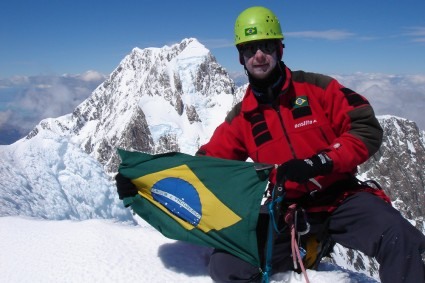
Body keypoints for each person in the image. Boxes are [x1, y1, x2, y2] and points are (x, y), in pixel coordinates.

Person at [192, 6, 425, 283]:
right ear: (240, 57)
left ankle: (313, 244)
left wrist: (321, 161)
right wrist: (146, 183)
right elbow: (205, 164)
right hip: (288, 210)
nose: (258, 55)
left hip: (341, 197)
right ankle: (309, 247)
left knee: (399, 237)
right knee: (227, 265)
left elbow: (365, 128)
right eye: (249, 48)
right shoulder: (243, 118)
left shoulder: (317, 88)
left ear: (280, 49)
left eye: (266, 45)